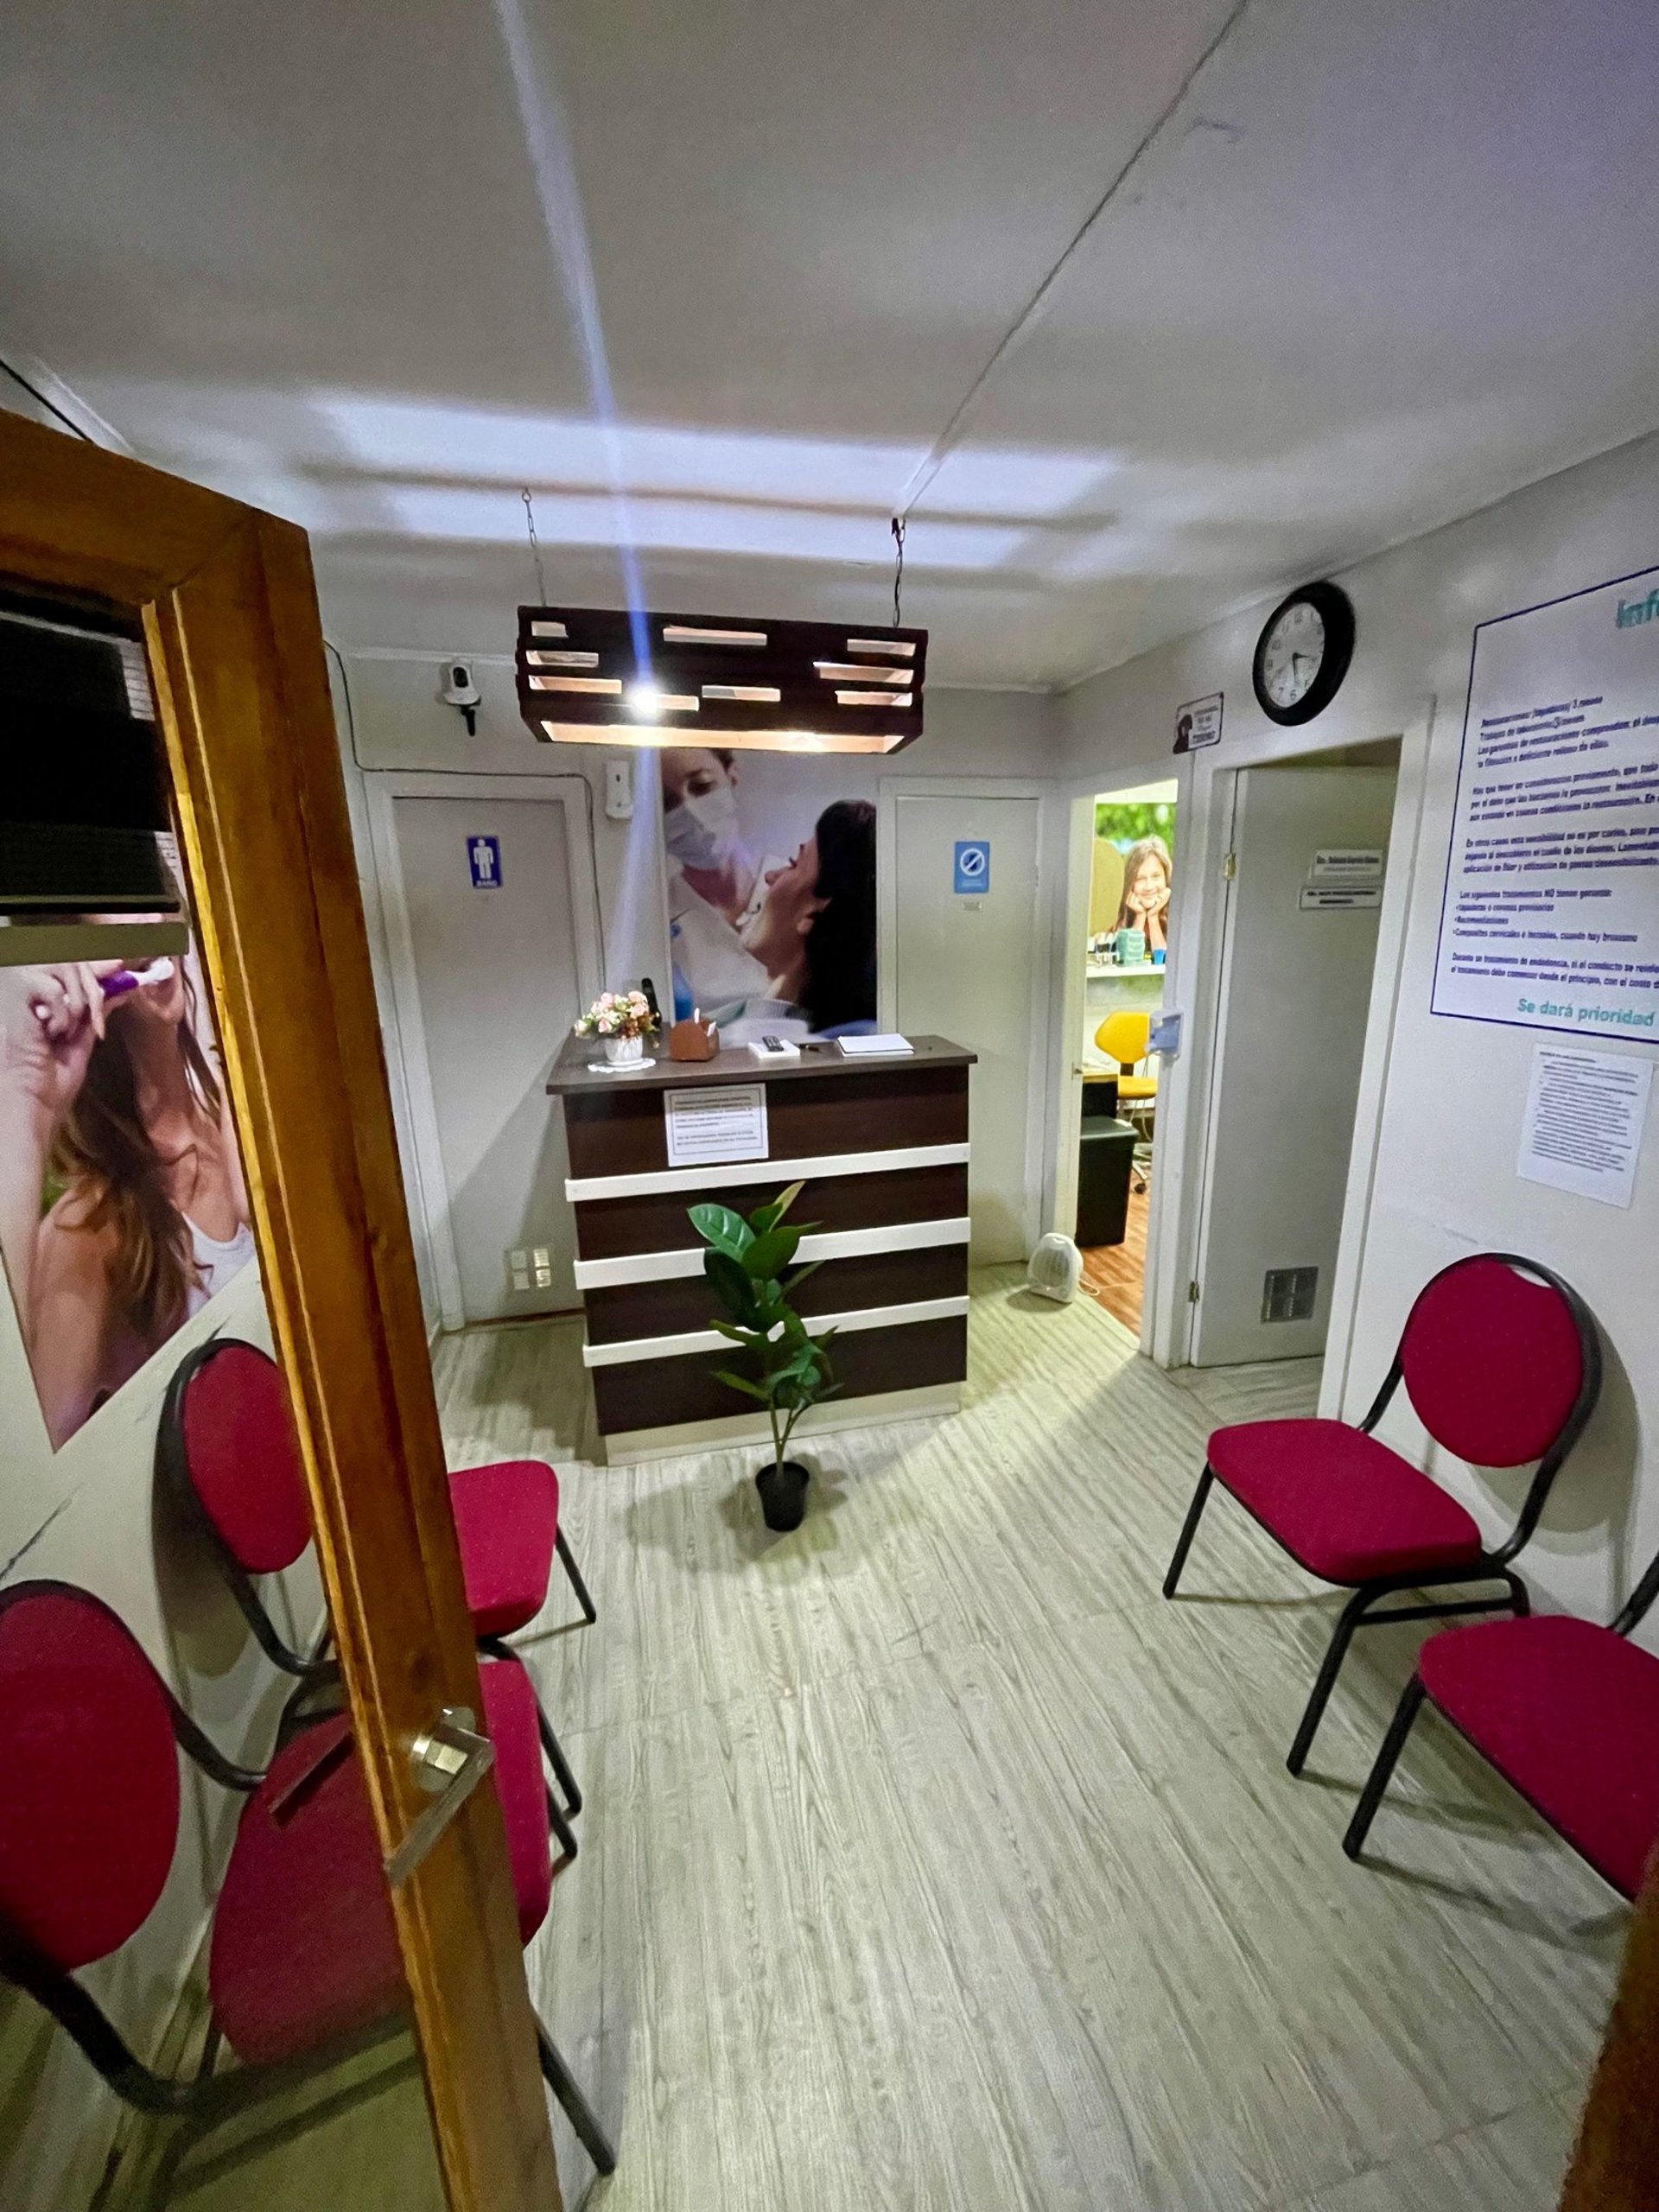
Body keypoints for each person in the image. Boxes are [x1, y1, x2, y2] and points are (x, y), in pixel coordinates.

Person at [0, 947, 252, 1447]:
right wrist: (24, 1098)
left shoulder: (229, 1115)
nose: (144, 930)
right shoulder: (93, 1224)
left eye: (152, 903)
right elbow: (36, 1458)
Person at [735, 799, 877, 1035]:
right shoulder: (753, 1022)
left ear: (810, 914)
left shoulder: (823, 1044)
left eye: (793, 866)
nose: (770, 876)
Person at [660, 747, 785, 1014]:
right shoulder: (661, 917)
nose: (691, 813)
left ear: (732, 774)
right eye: (667, 803)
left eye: (702, 786)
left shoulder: (796, 885)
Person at [1113, 835, 1173, 955]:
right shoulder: (1116, 917)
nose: (1149, 886)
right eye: (1140, 879)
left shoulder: (1177, 916)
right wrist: (1140, 917)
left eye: (1156, 876)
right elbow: (1128, 960)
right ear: (1130, 883)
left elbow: (1164, 963)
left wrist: (1153, 917)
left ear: (1166, 878)